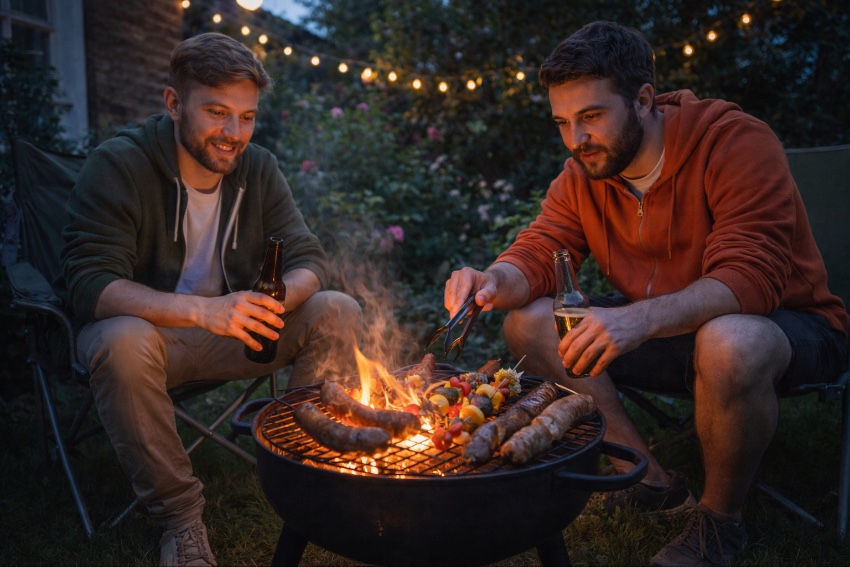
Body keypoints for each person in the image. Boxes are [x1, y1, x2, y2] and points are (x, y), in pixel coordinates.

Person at [443, 21, 848, 567]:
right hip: (672, 332)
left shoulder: (733, 141)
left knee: (729, 339)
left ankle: (719, 523)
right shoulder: (584, 174)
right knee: (528, 320)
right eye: (562, 122)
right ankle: (648, 479)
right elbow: (539, 252)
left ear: (643, 100)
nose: (575, 138)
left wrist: (638, 321)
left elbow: (751, 277)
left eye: (590, 116)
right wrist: (494, 279)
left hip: (784, 325)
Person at [59, 32, 362, 566]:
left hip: (233, 336)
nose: (234, 134)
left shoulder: (258, 168)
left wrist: (273, 300)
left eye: (246, 117)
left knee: (337, 307)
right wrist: (205, 311)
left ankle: (306, 473)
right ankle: (181, 520)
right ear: (174, 104)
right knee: (121, 339)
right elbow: (90, 286)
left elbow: (311, 260)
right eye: (218, 112)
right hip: (151, 343)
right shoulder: (119, 165)